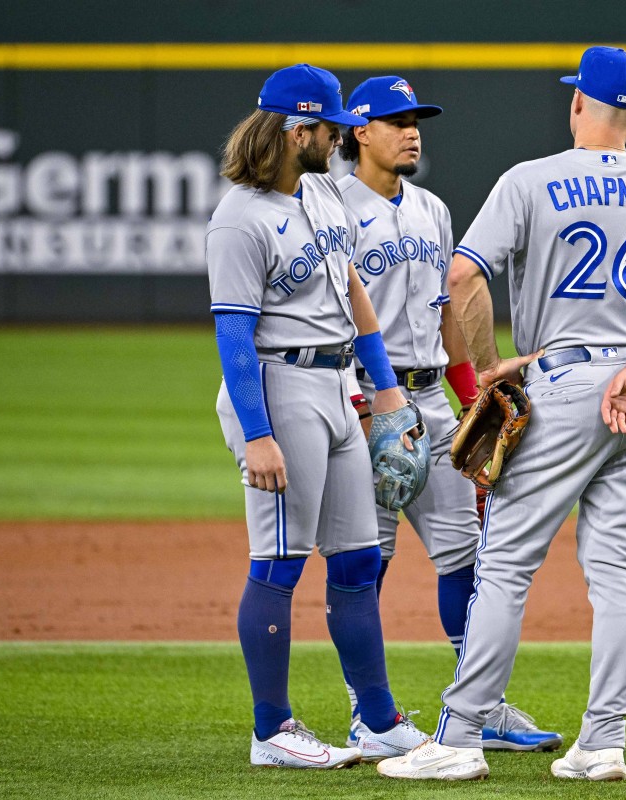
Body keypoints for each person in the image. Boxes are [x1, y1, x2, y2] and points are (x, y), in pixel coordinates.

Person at [376, 46, 626, 782]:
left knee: (502, 567)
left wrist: (484, 370)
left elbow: (463, 277)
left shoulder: (531, 179)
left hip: (562, 388)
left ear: (577, 103)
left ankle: (461, 738)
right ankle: (602, 743)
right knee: (615, 567)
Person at [334, 74, 561, 757]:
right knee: (365, 561)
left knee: (468, 555)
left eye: (417, 120)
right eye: (396, 120)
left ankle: (479, 707)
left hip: (432, 398)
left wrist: (471, 402)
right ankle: (365, 715)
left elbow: (447, 316)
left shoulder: (432, 208)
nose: (412, 131)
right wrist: (357, 406)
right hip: (367, 401)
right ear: (358, 132)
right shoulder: (331, 209)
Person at [207, 63, 427, 769]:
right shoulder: (239, 218)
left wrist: (387, 390)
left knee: (359, 560)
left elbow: (355, 292)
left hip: (337, 386)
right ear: (297, 129)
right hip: (280, 386)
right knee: (278, 561)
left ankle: (381, 720)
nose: (341, 138)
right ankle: (271, 731)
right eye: (332, 129)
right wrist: (259, 434)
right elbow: (235, 336)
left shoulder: (326, 196)